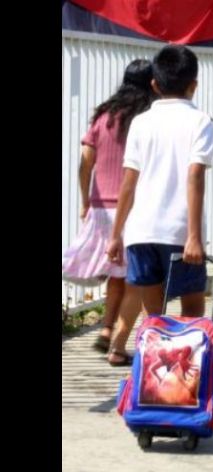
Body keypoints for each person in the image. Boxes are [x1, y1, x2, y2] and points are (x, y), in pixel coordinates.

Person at [107, 44, 213, 365]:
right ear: (194, 84)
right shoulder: (201, 121)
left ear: (154, 85)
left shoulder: (141, 123)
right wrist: (194, 236)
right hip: (179, 233)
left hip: (141, 231)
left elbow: (128, 181)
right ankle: (183, 382)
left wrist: (116, 234)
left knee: (153, 316)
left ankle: (155, 382)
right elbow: (195, 176)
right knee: (192, 310)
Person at [61, 59, 155, 360]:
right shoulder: (148, 117)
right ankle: (123, 344)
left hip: (102, 210)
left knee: (117, 273)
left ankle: (106, 328)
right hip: (135, 208)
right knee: (136, 277)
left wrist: (86, 200)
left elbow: (86, 161)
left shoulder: (104, 117)